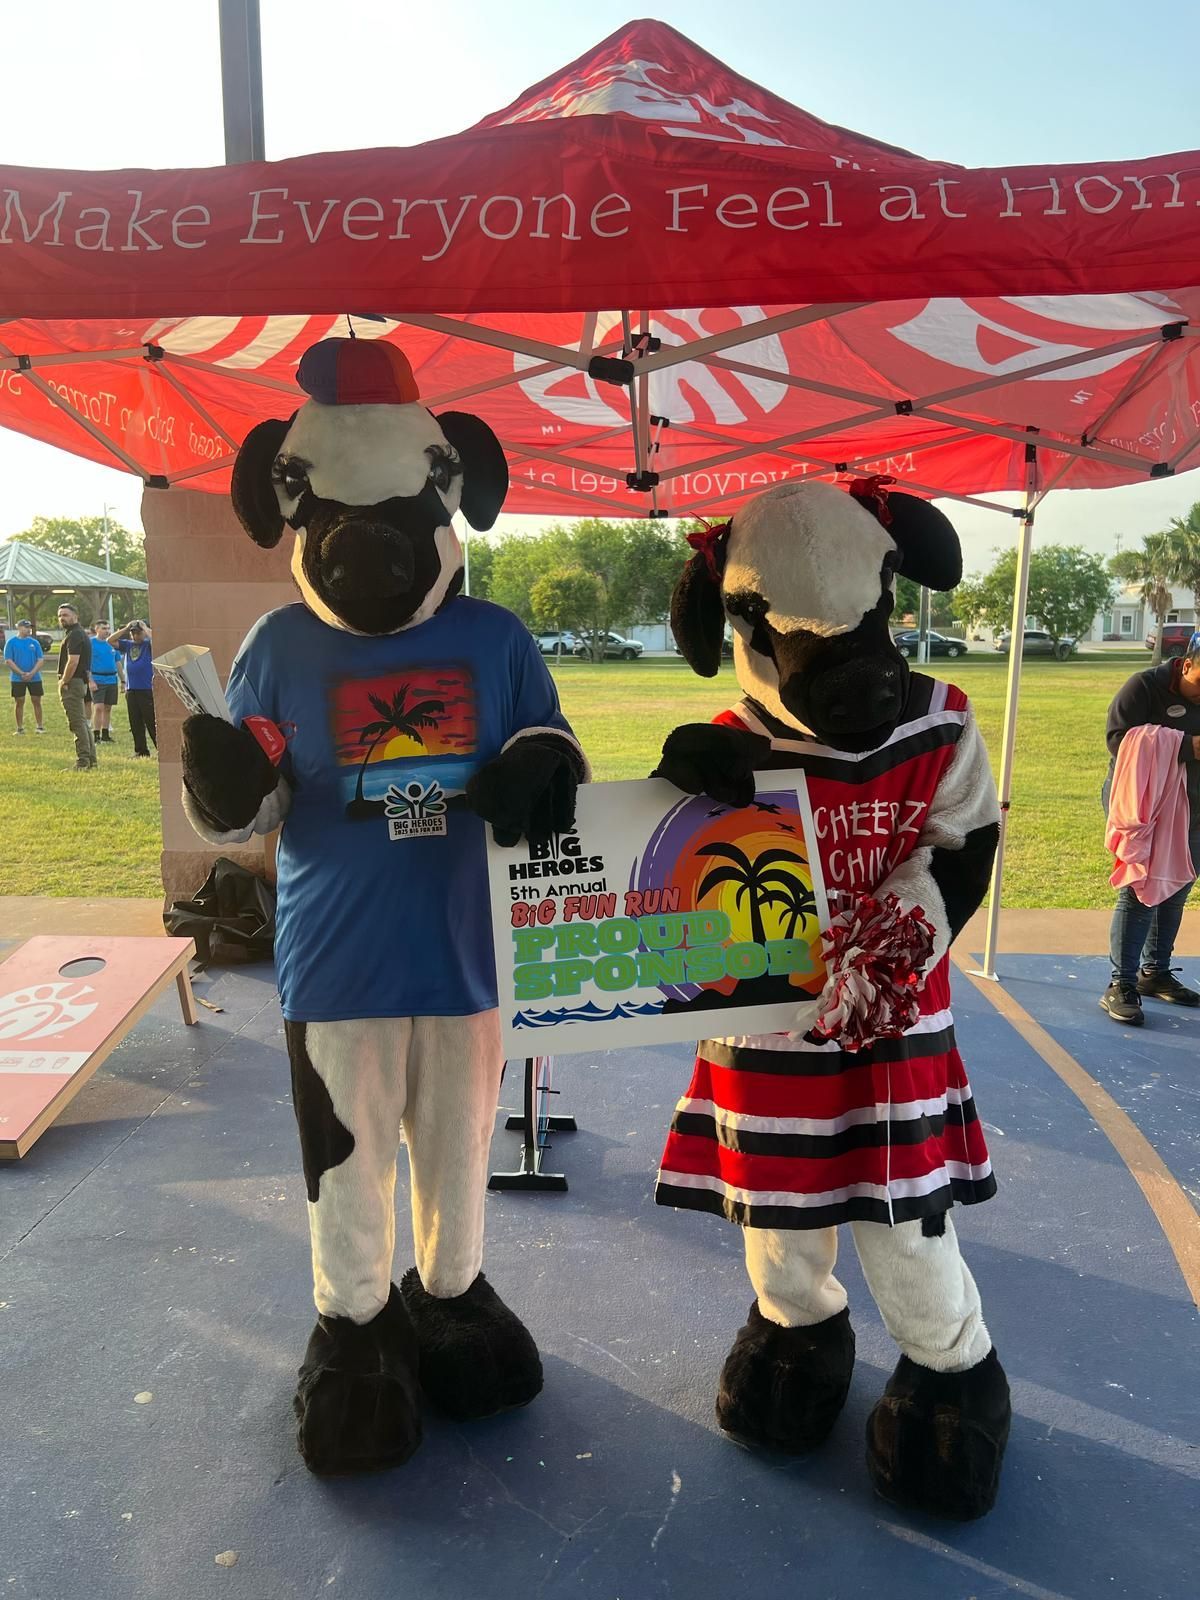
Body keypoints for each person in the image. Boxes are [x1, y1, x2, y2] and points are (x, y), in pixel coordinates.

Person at [1101, 637, 1200, 1023]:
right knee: (1142, 888)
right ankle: (1120, 983)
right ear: (1187, 665)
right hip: (1147, 805)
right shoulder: (1143, 687)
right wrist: (1183, 746)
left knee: (1178, 884)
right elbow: (1118, 741)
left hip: (1193, 808)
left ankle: (1154, 973)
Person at [56, 602, 96, 769]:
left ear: (75, 616)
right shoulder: (79, 634)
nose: (62, 618)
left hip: (73, 682)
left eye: (65, 615)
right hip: (79, 682)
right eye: (60, 616)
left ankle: (83, 761)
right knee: (82, 723)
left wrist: (64, 681)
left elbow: (73, 662)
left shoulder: (75, 635)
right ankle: (91, 761)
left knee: (77, 723)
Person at [110, 619, 156, 758]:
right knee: (135, 721)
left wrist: (145, 627)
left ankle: (161, 749)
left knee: (151, 721)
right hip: (132, 689)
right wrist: (126, 628)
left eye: (138, 633)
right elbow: (110, 640)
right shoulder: (128, 645)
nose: (135, 636)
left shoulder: (148, 645)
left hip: (146, 688)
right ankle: (140, 750)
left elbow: (157, 640)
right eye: (133, 633)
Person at [4, 619, 46, 734]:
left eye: (29, 627)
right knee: (19, 701)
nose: (28, 629)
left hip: (35, 677)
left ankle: (40, 726)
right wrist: (21, 673)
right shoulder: (11, 642)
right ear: (19, 627)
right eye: (25, 627)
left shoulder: (34, 643)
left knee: (36, 700)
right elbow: (8, 660)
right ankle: (20, 728)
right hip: (17, 678)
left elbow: (40, 660)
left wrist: (32, 673)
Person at [88, 621, 122, 743]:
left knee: (108, 708)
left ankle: (105, 734)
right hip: (98, 679)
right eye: (104, 628)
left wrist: (123, 680)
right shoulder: (91, 643)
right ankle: (96, 735)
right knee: (98, 707)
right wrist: (90, 681)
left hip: (112, 680)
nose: (107, 631)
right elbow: (86, 664)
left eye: (108, 628)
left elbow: (118, 662)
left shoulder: (112, 644)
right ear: (97, 629)